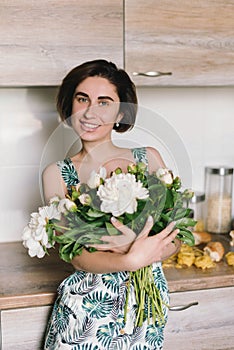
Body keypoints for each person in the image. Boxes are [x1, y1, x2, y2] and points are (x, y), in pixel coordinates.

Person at [42, 59, 181, 349]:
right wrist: (130, 259)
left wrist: (140, 247)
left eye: (104, 102)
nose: (90, 112)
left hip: (146, 312)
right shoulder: (58, 174)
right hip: (86, 314)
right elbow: (77, 256)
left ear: (120, 111)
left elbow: (175, 237)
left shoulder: (149, 159)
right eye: (82, 99)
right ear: (71, 106)